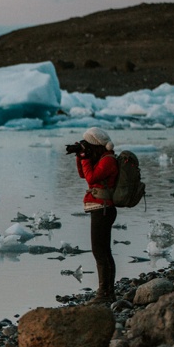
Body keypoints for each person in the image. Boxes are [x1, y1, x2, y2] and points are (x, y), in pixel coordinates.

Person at [75, 127, 119, 303]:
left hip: (103, 210)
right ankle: (108, 292)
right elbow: (82, 174)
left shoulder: (108, 160)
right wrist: (80, 157)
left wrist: (85, 158)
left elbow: (91, 178)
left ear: (95, 144)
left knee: (100, 252)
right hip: (100, 208)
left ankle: (105, 293)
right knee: (103, 252)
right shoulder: (101, 158)